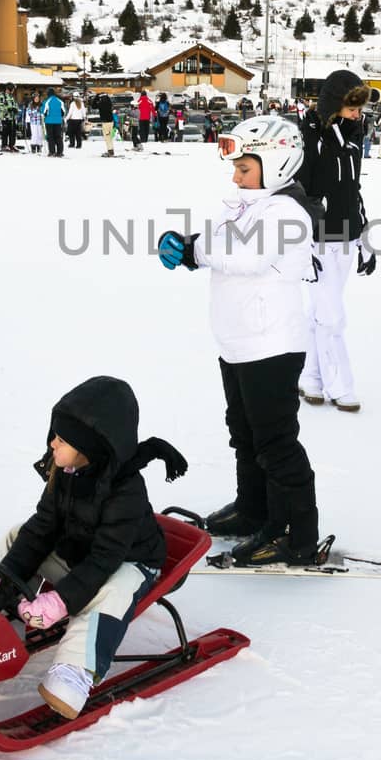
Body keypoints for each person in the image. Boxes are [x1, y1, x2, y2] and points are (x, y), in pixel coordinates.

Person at [156, 115, 321, 566]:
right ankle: (254, 510)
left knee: (276, 443)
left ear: (277, 163)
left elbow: (248, 256)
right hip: (238, 342)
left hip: (272, 346)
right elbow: (219, 241)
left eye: (244, 168)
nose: (235, 176)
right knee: (244, 435)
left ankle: (295, 532)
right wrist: (185, 243)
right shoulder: (245, 202)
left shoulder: (288, 212)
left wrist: (196, 252)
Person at [0, 376, 187, 720]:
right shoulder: (65, 470)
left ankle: (75, 671)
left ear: (90, 449)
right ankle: (4, 604)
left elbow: (106, 559)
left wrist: (61, 600)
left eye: (62, 439)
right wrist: (8, 579)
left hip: (129, 562)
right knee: (17, 535)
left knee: (114, 589)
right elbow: (41, 529)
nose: (51, 444)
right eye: (54, 435)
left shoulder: (125, 492)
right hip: (81, 552)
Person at [297, 71, 373, 413]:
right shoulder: (309, 135)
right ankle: (341, 386)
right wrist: (302, 244)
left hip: (348, 235)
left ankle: (310, 378)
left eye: (360, 107)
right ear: (334, 103)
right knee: (331, 317)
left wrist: (364, 237)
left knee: (321, 313)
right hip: (318, 237)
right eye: (351, 106)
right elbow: (299, 194)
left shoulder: (354, 136)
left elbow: (352, 189)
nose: (358, 113)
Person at [43, 88, 67, 157]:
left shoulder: (47, 101)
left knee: (51, 137)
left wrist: (46, 116)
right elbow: (64, 111)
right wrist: (59, 117)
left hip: (49, 121)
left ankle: (52, 152)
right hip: (58, 122)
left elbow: (44, 112)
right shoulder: (60, 101)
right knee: (58, 137)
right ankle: (60, 152)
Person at [0, 87, 20, 152]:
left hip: (12, 117)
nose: (13, 91)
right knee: (5, 132)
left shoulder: (12, 97)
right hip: (5, 117)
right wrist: (8, 109)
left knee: (13, 132)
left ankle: (12, 145)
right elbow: (0, 106)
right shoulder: (2, 96)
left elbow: (15, 105)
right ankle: (4, 145)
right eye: (12, 89)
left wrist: (16, 109)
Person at [94, 91, 117, 156]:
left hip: (105, 122)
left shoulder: (101, 103)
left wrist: (96, 97)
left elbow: (93, 106)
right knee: (109, 137)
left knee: (107, 137)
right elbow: (107, 98)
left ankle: (110, 151)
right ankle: (111, 150)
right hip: (111, 121)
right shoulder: (109, 102)